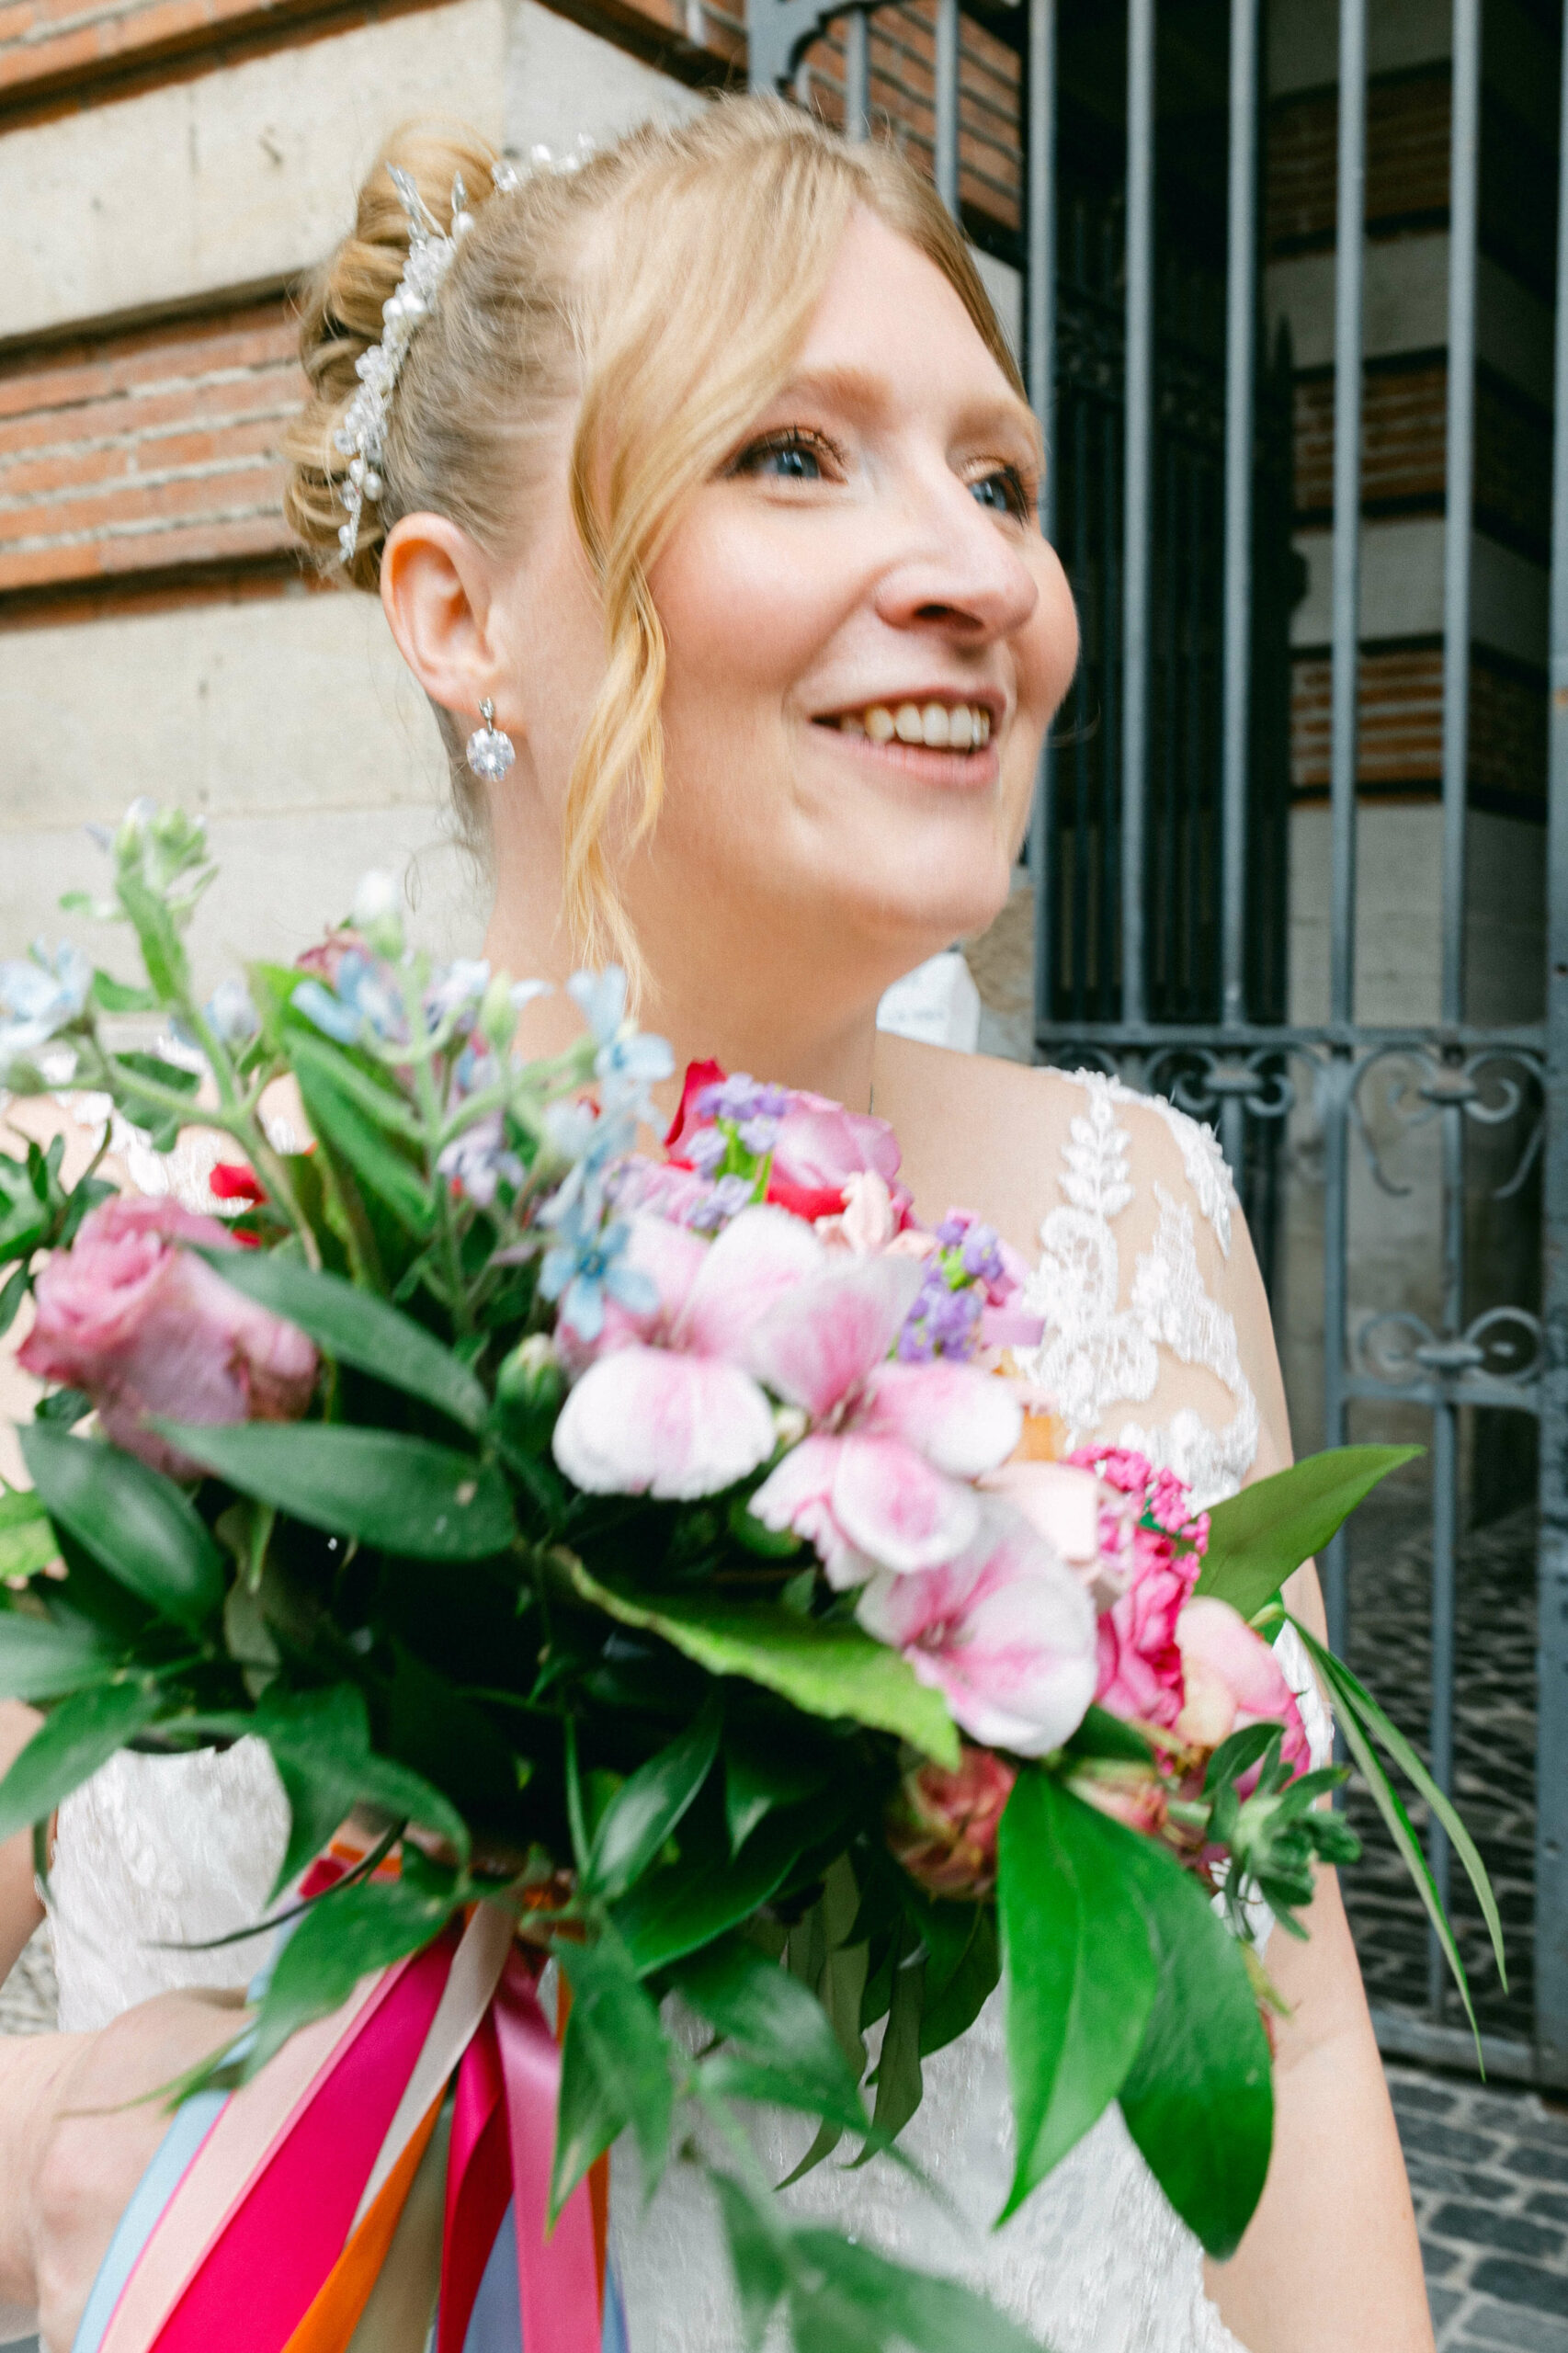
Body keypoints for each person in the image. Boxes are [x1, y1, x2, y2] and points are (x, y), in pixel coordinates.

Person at [0, 97, 1432, 2353]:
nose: (981, 572)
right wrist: (58, 2145)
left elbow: (1293, 2036)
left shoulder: (1133, 1210)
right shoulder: (161, 1258)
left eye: (999, 481)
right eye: (792, 451)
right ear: (459, 613)